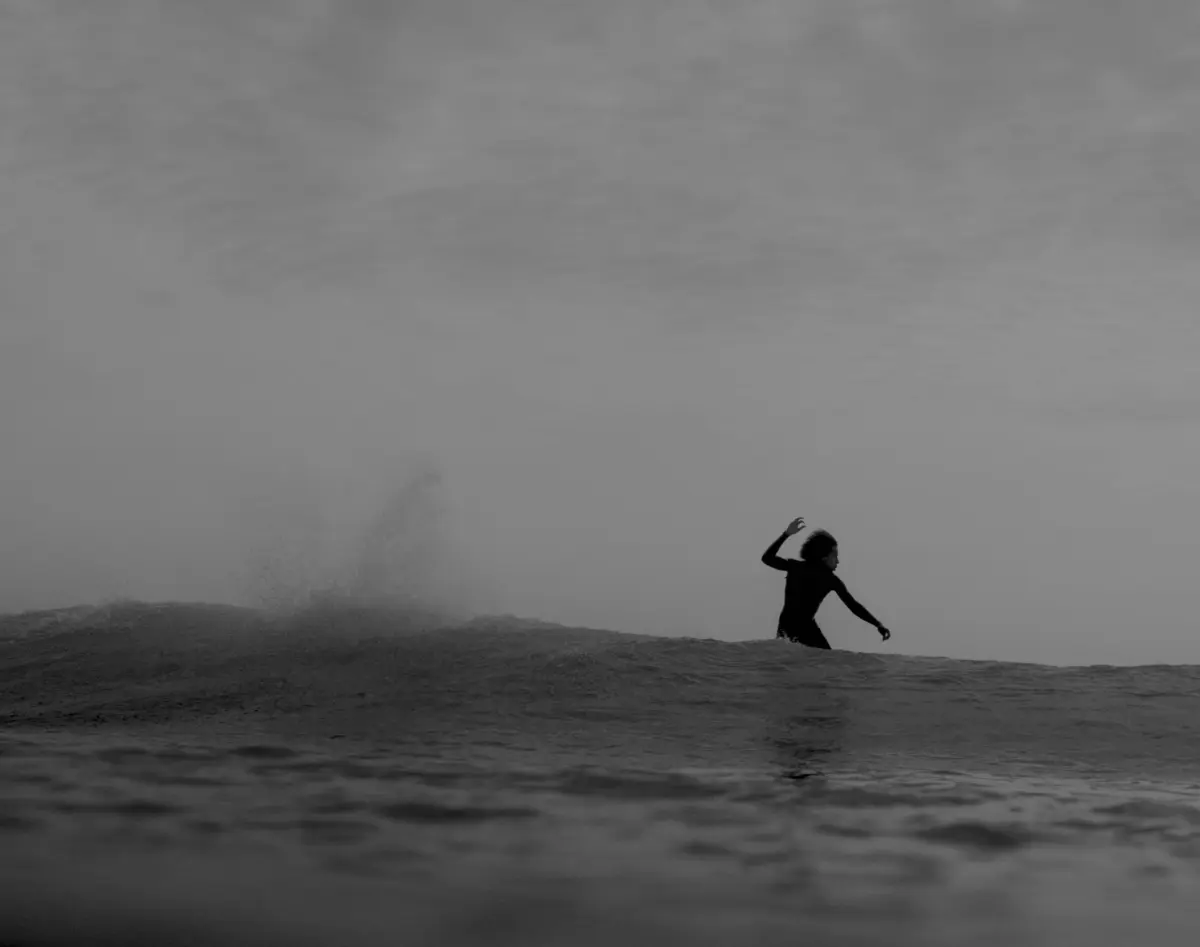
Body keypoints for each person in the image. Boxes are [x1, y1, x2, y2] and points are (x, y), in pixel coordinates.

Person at [760, 517, 891, 649]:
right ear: (824, 557)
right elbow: (853, 605)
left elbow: (767, 558)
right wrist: (878, 624)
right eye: (835, 556)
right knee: (825, 662)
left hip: (794, 626)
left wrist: (786, 534)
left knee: (793, 664)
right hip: (799, 628)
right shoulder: (828, 579)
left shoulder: (797, 568)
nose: (838, 561)